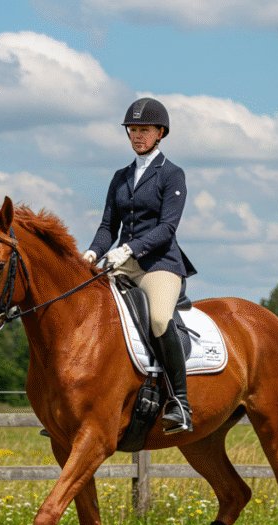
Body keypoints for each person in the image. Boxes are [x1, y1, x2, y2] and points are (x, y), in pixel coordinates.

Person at [83, 98, 198, 434]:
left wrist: (129, 249)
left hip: (160, 264)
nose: (137, 135)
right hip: (124, 264)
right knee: (88, 310)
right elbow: (108, 227)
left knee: (160, 318)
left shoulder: (172, 174)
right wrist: (91, 254)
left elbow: (167, 229)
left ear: (160, 133)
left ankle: (180, 402)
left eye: (144, 130)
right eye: (133, 130)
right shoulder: (120, 177)